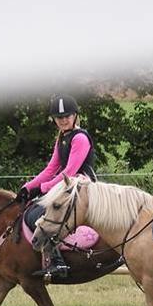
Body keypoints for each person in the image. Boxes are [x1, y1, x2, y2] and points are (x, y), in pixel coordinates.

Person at [15, 94, 97, 279]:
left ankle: (57, 261)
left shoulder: (80, 138)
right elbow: (51, 169)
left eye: (67, 116)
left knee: (45, 214)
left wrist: (43, 188)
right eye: (59, 117)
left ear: (75, 116)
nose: (63, 120)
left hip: (81, 185)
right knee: (32, 210)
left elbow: (69, 171)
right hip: (66, 186)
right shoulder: (62, 138)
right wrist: (28, 187)